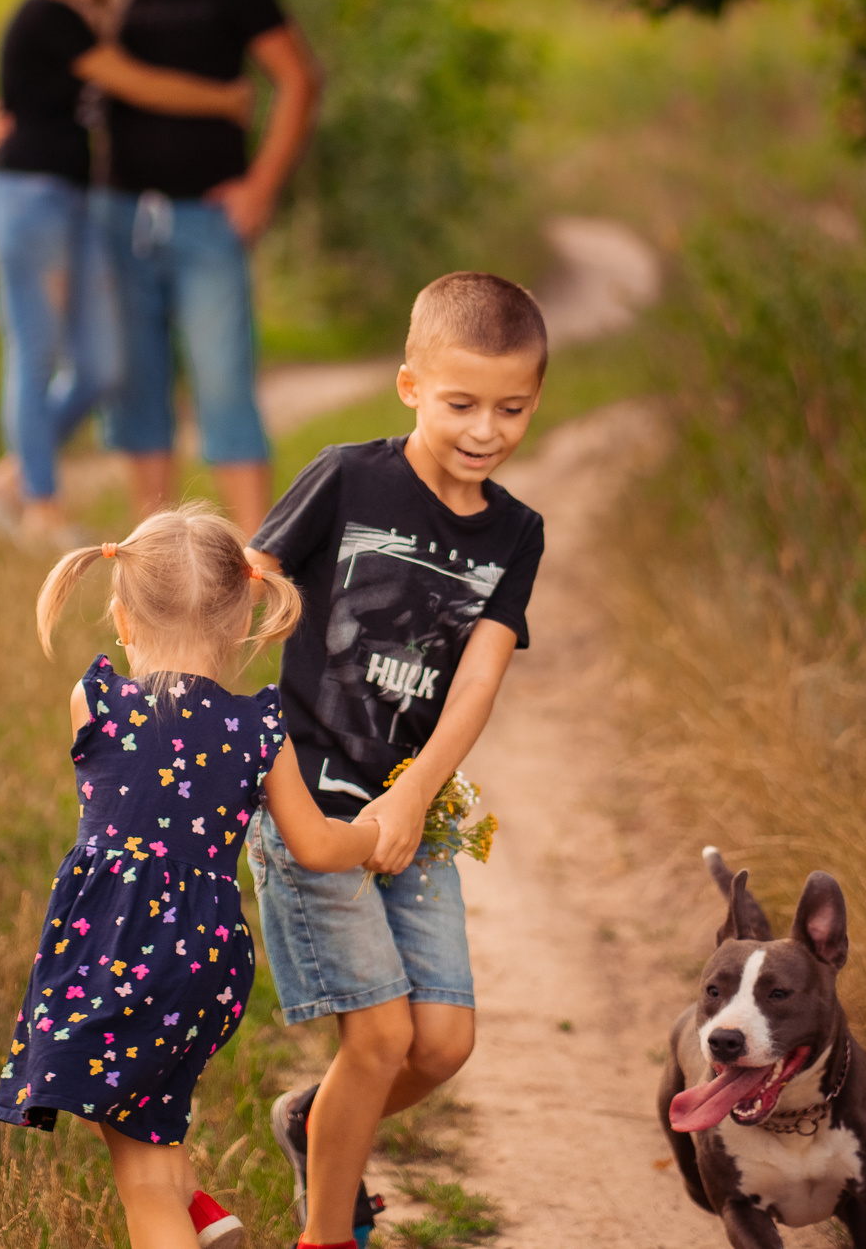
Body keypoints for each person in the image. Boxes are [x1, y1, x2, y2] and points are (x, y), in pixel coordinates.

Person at [241, 273, 551, 1249]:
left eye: (512, 408)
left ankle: (311, 1121)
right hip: (310, 799)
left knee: (441, 1044)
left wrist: (415, 792)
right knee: (377, 1040)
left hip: (411, 806)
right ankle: (328, 1235)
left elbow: (475, 682)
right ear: (410, 385)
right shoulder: (348, 478)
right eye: (462, 404)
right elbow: (252, 588)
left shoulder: (515, 533)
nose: (485, 430)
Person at [0, 506, 379, 1249]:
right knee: (150, 1124)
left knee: (137, 1181)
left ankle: (179, 1216)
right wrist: (374, 833)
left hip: (112, 950)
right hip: (205, 961)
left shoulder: (94, 700)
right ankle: (198, 1210)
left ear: (121, 616)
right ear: (241, 622)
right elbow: (316, 845)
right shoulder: (259, 728)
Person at [0, 0, 256, 543]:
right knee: (35, 350)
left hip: (73, 202)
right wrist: (226, 100)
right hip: (28, 198)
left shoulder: (86, 19)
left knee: (103, 366)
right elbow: (137, 84)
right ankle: (41, 505)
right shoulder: (49, 13)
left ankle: (5, 480)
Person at [98, 0, 321, 534]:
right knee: (138, 392)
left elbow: (298, 78)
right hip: (117, 216)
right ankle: (151, 564)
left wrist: (262, 184)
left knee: (224, 383)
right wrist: (2, 122)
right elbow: (49, 74)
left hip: (207, 222)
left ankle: (257, 559)